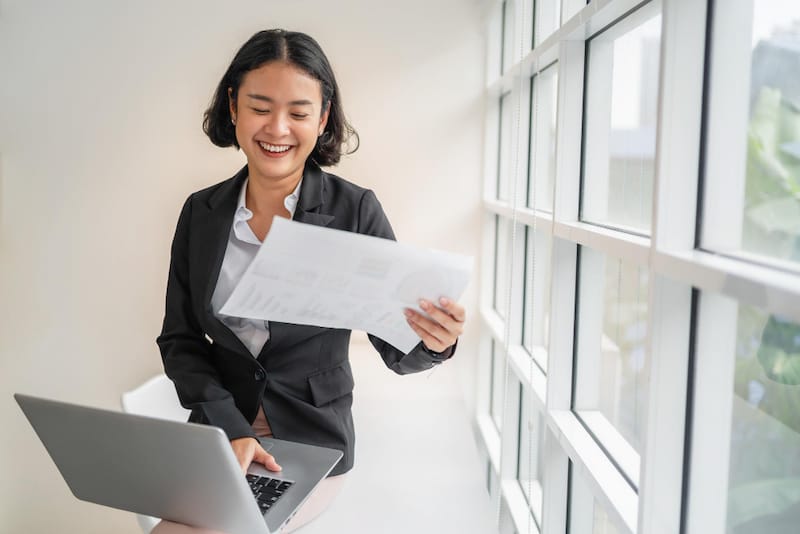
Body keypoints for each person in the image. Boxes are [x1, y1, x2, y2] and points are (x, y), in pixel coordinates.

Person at [153, 29, 465, 533]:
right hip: (221, 433)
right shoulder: (202, 212)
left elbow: (397, 347)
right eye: (260, 107)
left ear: (322, 120)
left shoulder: (354, 210)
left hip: (311, 440)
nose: (278, 127)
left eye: (299, 113)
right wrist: (231, 429)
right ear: (233, 107)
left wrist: (434, 341)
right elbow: (181, 338)